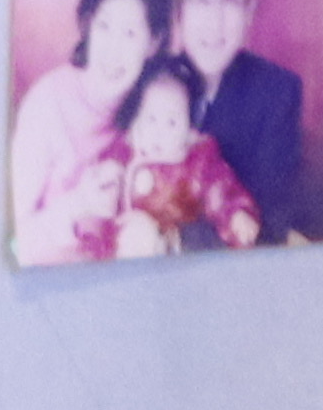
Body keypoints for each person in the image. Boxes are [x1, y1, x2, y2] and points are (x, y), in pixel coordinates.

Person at [9, 0, 175, 261]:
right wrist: (78, 205)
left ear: (154, 42)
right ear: (88, 23)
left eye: (130, 33)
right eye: (104, 26)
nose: (112, 50)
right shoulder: (47, 106)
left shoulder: (154, 112)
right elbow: (13, 246)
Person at [171, 0, 321, 243]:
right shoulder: (154, 80)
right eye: (201, 0)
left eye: (230, 1)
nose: (214, 22)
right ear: (180, 7)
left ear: (250, 11)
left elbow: (269, 228)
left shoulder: (278, 94)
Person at [98, 55, 266, 259]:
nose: (160, 132)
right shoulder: (123, 154)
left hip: (178, 250)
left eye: (172, 123)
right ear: (137, 119)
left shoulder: (197, 160)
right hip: (125, 248)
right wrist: (102, 184)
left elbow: (220, 188)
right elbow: (99, 192)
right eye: (151, 119)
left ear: (188, 128)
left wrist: (235, 214)